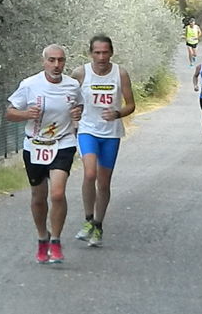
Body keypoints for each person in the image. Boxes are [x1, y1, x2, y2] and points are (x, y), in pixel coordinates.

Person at [6, 44, 83, 264]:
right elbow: (9, 113)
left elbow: (79, 106)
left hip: (63, 142)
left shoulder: (72, 85)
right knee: (39, 198)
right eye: (52, 60)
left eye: (61, 60)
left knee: (57, 194)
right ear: (44, 62)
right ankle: (43, 237)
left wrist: (78, 112)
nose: (57, 65)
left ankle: (56, 240)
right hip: (35, 145)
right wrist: (25, 114)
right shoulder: (30, 85)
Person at [72, 35, 135, 247]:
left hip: (111, 133)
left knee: (104, 181)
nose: (101, 57)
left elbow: (131, 105)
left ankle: (98, 225)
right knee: (90, 173)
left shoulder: (120, 73)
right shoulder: (81, 73)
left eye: (105, 52)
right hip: (88, 130)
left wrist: (117, 113)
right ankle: (89, 220)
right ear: (90, 53)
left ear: (111, 53)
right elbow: (69, 100)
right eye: (97, 53)